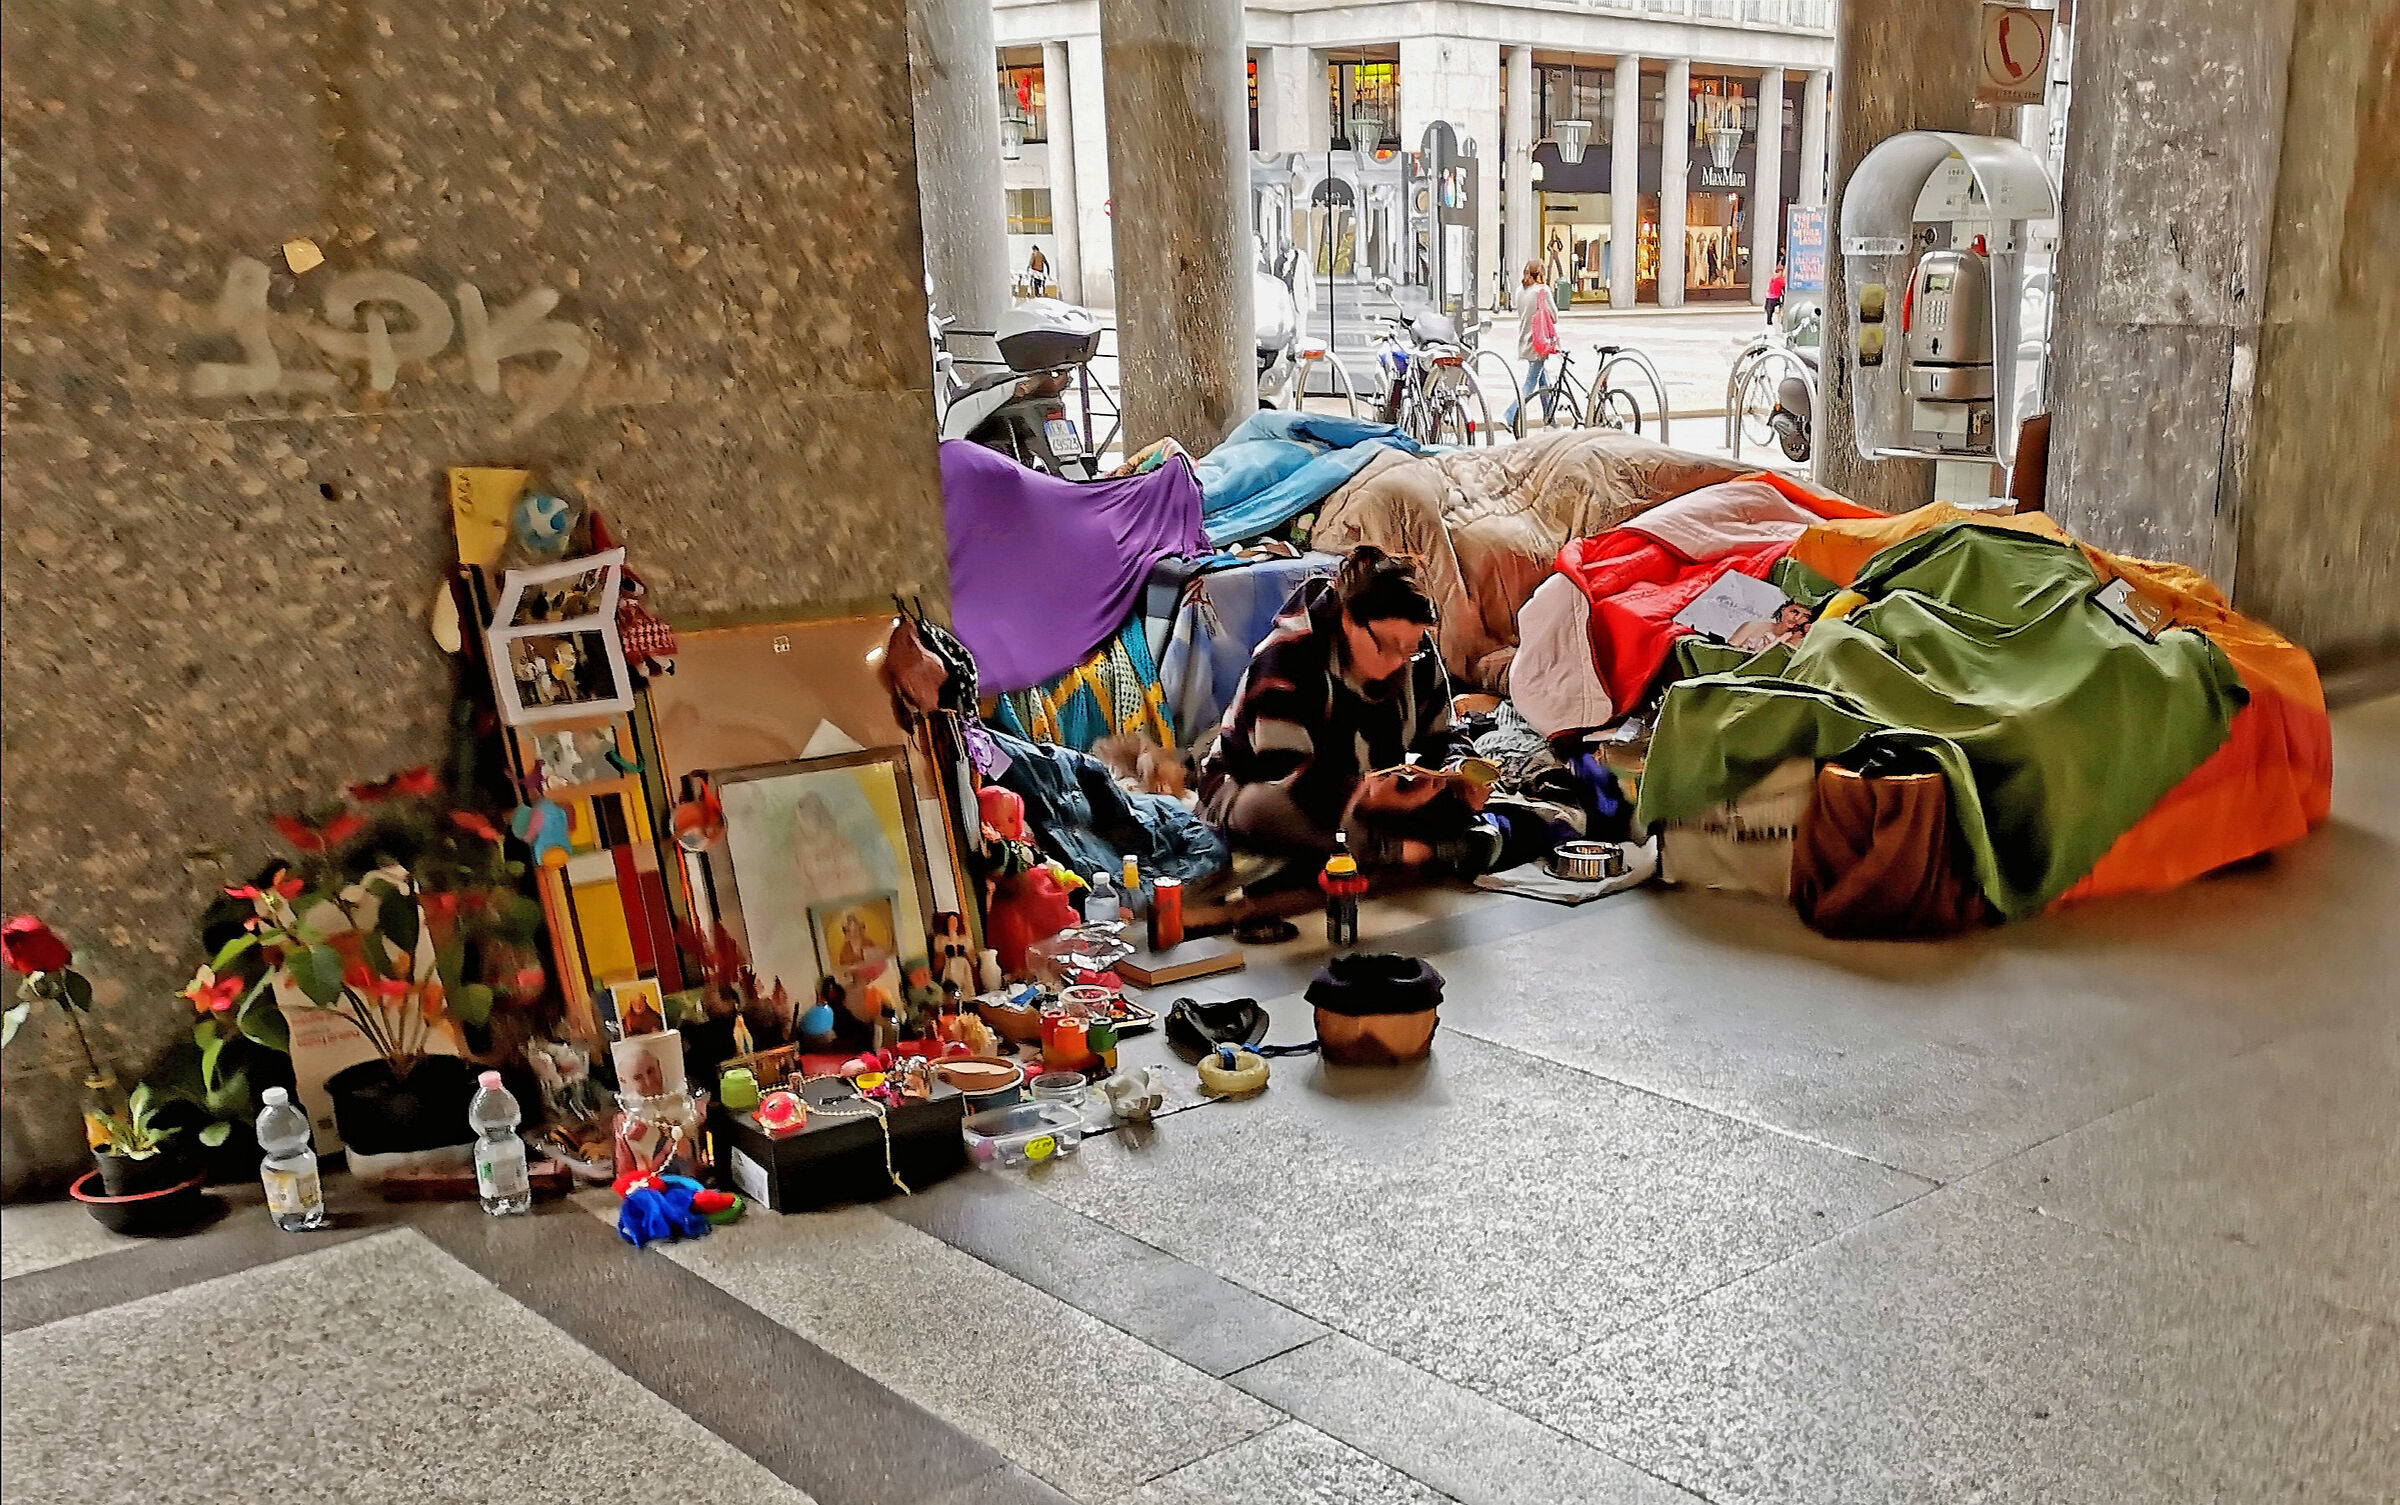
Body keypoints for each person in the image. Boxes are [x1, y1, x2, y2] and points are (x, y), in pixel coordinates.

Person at [1199, 548, 1502, 873]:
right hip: (1275, 788)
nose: (1398, 661)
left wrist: (1460, 776)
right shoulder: (1287, 658)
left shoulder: (1418, 654)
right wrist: (1365, 797)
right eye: (1386, 646)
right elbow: (1284, 770)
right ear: (1348, 620)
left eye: (1409, 649)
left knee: (1469, 812)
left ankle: (1407, 847)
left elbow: (1443, 736)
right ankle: (1403, 852)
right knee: (1257, 809)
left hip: (1370, 795)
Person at [1505, 259, 1562, 429]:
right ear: (1542, 272)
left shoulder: (1520, 291)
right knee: (1530, 382)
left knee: (1542, 380)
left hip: (1525, 338)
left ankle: (1550, 417)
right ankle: (1510, 414)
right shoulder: (1542, 291)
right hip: (1539, 342)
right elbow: (1554, 316)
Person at [1765, 258, 1787, 327]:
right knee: (1772, 307)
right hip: (1775, 296)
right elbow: (1783, 285)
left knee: (1769, 309)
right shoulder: (1779, 279)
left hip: (1770, 295)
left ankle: (1769, 320)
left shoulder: (1773, 278)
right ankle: (1770, 320)